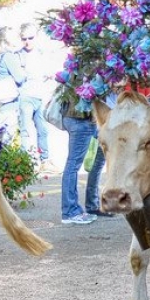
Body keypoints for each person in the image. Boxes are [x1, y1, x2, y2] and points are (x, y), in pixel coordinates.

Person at [61, 96, 111, 225]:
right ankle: (70, 212)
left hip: (89, 119)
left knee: (99, 160)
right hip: (80, 119)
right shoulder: (84, 76)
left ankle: (92, 205)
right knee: (73, 165)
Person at [16, 22, 51, 168]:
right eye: (24, 39)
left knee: (42, 129)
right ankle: (25, 162)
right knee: (25, 130)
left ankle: (45, 159)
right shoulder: (18, 55)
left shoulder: (43, 54)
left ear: (36, 37)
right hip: (26, 96)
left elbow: (48, 73)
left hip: (40, 96)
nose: (27, 41)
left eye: (30, 38)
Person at [0, 26, 22, 137]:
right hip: (11, 104)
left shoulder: (0, 56)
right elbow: (20, 77)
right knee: (10, 138)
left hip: (3, 104)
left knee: (1, 138)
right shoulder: (9, 56)